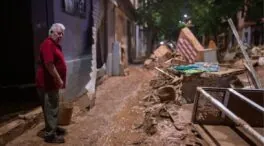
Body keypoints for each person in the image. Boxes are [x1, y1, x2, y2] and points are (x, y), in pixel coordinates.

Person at [36, 23, 67, 143]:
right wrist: (59, 79)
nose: (61, 36)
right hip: (47, 83)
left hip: (52, 83)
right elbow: (49, 64)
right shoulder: (48, 44)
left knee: (53, 106)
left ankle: (53, 127)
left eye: (62, 34)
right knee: (50, 107)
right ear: (51, 32)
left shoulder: (55, 45)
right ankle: (50, 135)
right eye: (59, 33)